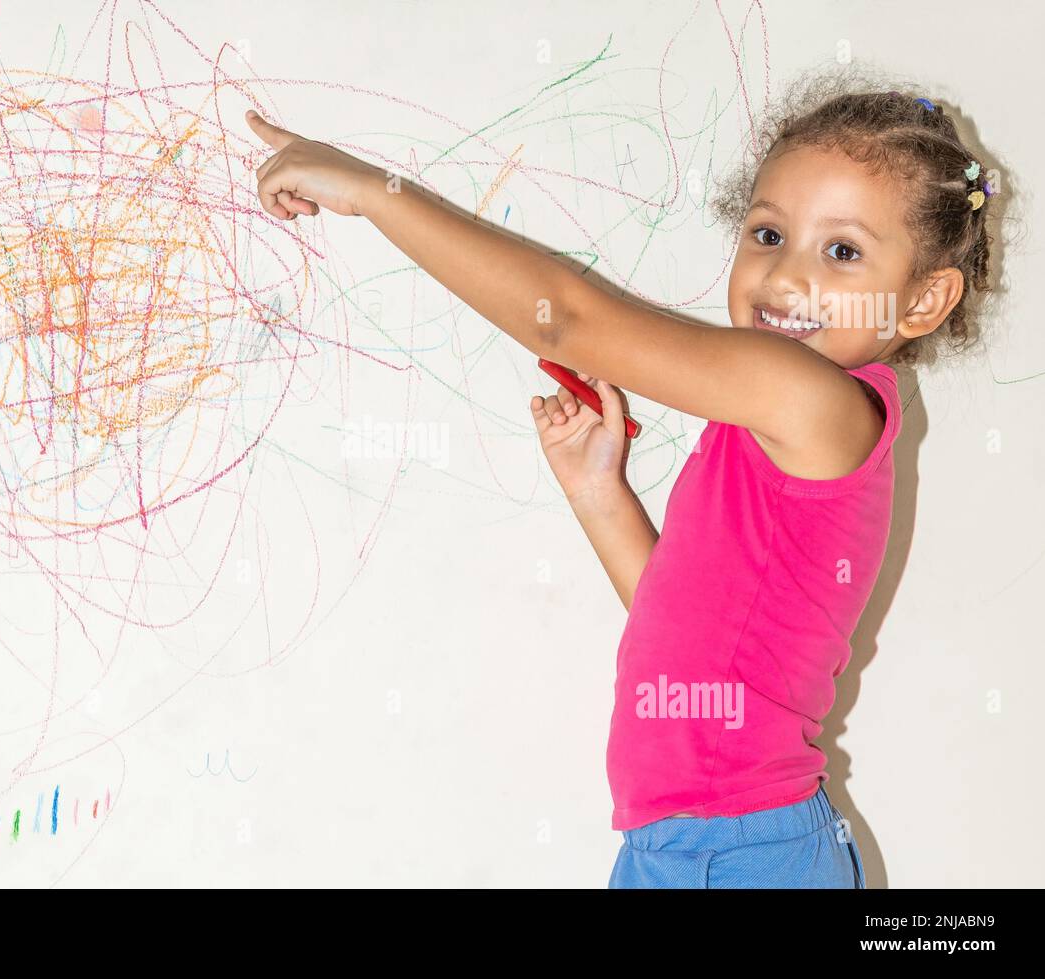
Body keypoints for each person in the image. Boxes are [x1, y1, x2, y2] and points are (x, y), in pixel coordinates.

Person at [244, 75, 999, 888]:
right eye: (769, 233)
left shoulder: (816, 402)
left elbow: (568, 318)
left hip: (744, 850)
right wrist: (600, 494)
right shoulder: (768, 425)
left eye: (842, 251)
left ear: (924, 301)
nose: (785, 279)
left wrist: (372, 193)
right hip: (677, 843)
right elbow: (686, 628)